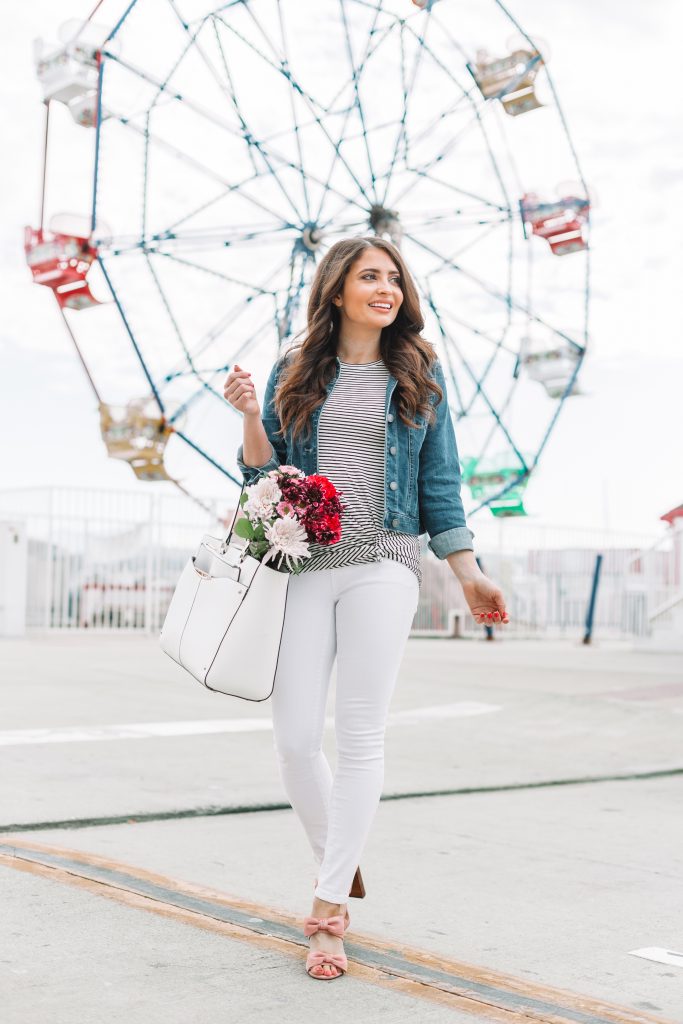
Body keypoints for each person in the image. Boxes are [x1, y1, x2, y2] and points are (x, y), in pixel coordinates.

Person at [224, 236, 509, 981]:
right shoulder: (298, 372)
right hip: (306, 564)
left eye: (392, 278)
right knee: (292, 740)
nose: (385, 288)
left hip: (385, 561)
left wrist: (468, 573)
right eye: (368, 277)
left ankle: (326, 911)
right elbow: (263, 475)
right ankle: (339, 858)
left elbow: (441, 486)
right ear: (337, 290)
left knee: (357, 735)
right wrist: (252, 413)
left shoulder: (417, 375)